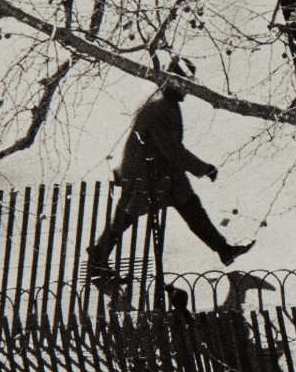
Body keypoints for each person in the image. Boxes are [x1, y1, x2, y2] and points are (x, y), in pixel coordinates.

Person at [88, 60, 253, 285]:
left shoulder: (164, 103)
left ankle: (223, 250)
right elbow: (171, 149)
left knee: (188, 207)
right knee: (127, 216)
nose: (188, 89)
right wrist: (203, 168)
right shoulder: (160, 107)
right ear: (173, 82)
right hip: (148, 175)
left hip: (158, 173)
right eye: (184, 84)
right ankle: (97, 259)